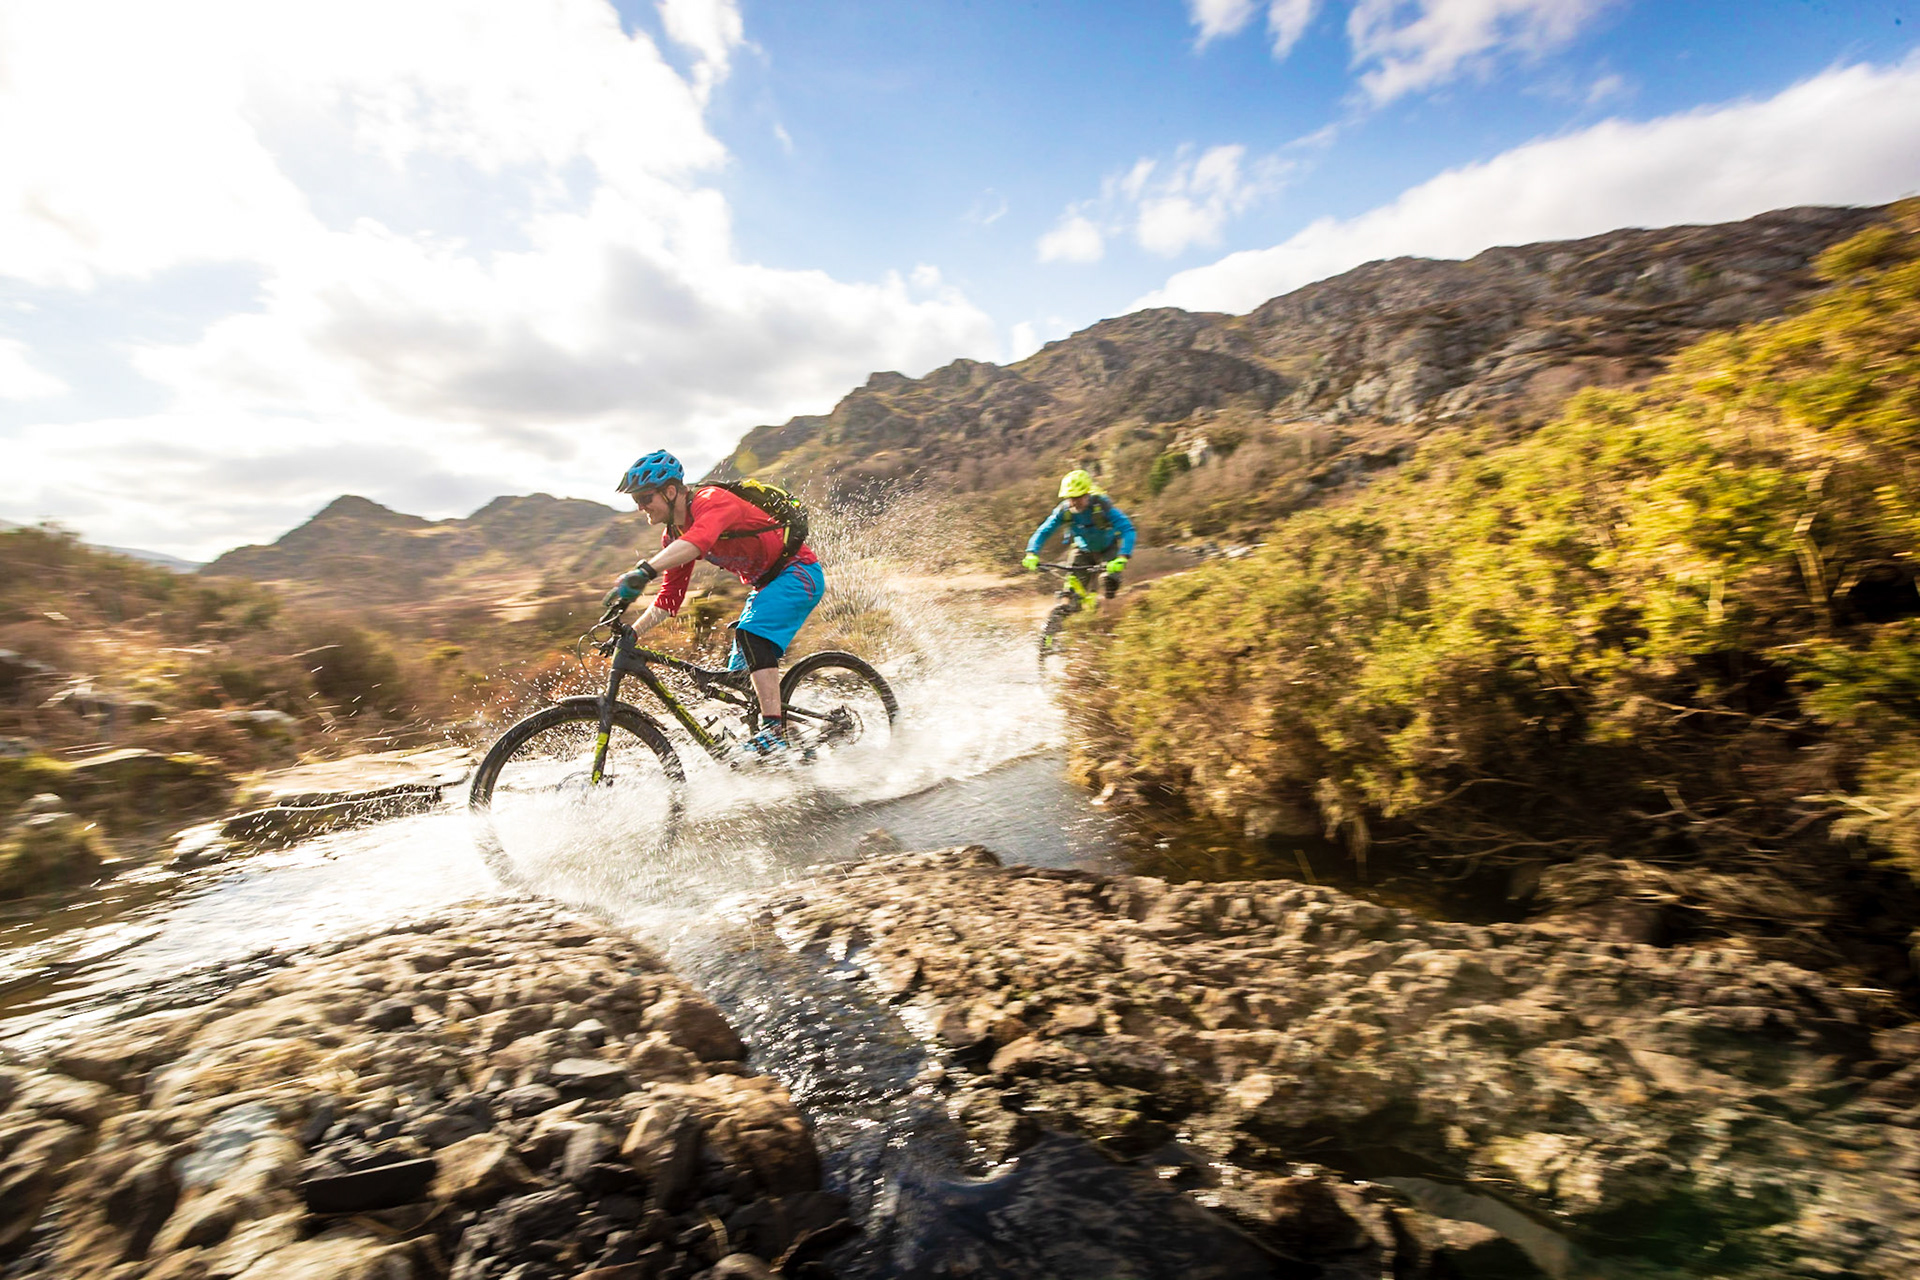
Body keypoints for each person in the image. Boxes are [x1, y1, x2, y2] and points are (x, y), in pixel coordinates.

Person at [601, 450, 824, 759]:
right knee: (739, 682)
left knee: (752, 635)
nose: (639, 506)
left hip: (798, 574)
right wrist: (633, 634)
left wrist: (644, 572)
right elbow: (669, 600)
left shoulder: (711, 500)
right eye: (635, 500)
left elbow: (699, 541)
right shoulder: (674, 536)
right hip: (766, 587)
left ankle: (773, 732)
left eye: (644, 497)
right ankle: (797, 740)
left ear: (669, 491)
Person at [1021, 469, 1136, 600]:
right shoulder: (1064, 511)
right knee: (1071, 591)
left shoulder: (1102, 506)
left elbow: (1128, 529)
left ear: (1087, 493)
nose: (1074, 502)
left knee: (1109, 581)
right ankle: (1065, 612)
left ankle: (1110, 608)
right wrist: (1031, 553)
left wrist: (1123, 556)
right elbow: (1044, 530)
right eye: (1071, 498)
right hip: (1082, 550)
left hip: (1108, 549)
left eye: (1078, 497)